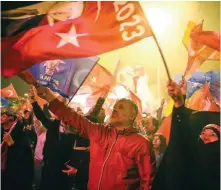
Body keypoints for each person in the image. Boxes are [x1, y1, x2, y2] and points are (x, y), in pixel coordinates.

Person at [36, 85, 154, 190]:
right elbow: (73, 117)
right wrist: (49, 96)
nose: (114, 109)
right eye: (114, 107)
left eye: (121, 107)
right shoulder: (99, 131)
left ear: (132, 115)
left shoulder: (141, 143)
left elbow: (147, 181)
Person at [152, 79, 220, 190]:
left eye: (212, 134)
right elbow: (180, 135)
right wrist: (179, 101)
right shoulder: (188, 163)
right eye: (203, 133)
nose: (206, 137)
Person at [1, 113, 34, 190]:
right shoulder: (3, 133)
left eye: (4, 116)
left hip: (16, 178)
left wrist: (11, 144)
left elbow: (25, 158)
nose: (1, 118)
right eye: (1, 116)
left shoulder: (21, 135)